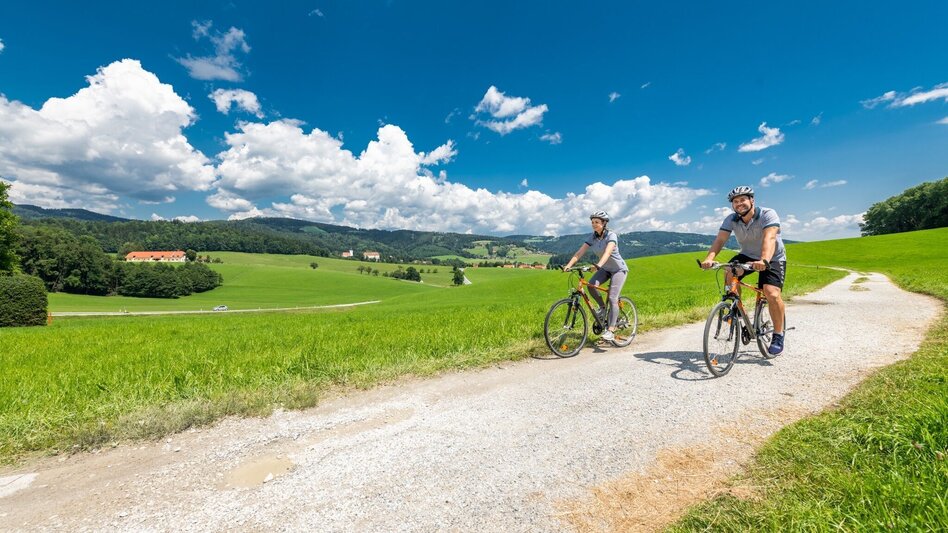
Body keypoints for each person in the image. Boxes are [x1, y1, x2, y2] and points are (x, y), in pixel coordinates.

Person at [700, 185, 787, 355]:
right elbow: (720, 240)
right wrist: (709, 258)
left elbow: (769, 238)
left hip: (772, 257)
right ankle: (736, 310)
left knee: (771, 293)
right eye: (735, 201)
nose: (739, 204)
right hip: (747, 254)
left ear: (751, 200)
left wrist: (764, 260)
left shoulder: (768, 214)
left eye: (743, 200)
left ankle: (778, 334)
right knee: (729, 271)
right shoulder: (731, 219)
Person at [562, 211, 629, 344]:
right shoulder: (592, 237)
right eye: (592, 222)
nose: (594, 225)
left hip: (618, 270)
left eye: (597, 222)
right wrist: (568, 265)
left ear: (604, 223)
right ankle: (603, 309)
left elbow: (608, 252)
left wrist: (598, 265)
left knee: (612, 297)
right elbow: (579, 252)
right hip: (605, 269)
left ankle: (611, 329)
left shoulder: (611, 235)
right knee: (592, 285)